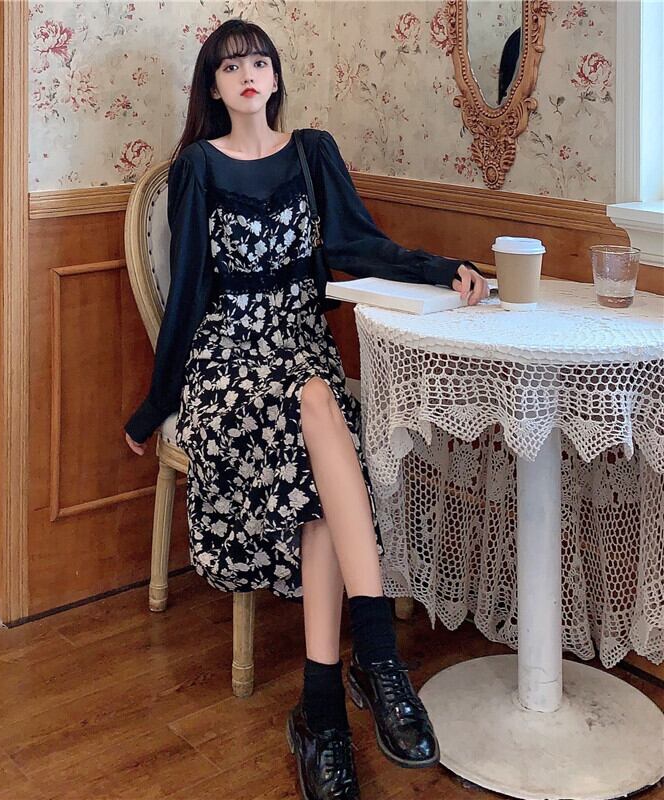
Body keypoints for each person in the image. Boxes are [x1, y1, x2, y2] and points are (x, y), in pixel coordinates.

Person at [123, 19, 488, 800]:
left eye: (259, 61)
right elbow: (188, 291)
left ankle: (322, 711)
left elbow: (359, 246)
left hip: (299, 347)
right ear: (213, 87)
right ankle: (377, 661)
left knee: (319, 431)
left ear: (276, 76)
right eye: (231, 67)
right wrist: (156, 406)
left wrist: (441, 267)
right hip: (229, 358)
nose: (247, 75)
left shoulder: (313, 152)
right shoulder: (197, 168)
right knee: (322, 413)